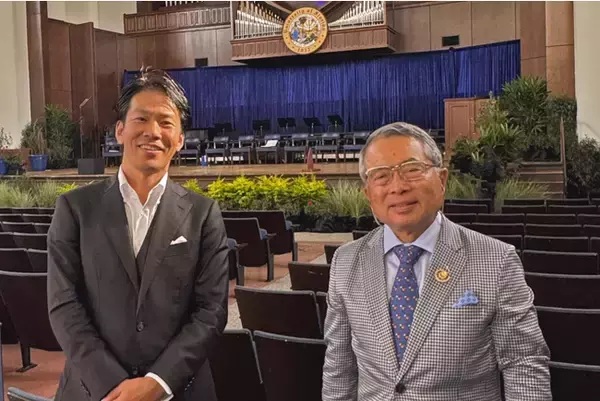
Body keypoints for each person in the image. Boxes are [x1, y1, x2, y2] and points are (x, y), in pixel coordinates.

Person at [322, 122, 551, 401]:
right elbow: (339, 367)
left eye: (411, 170)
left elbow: (523, 364)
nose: (398, 187)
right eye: (381, 176)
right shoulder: (346, 262)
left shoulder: (496, 260)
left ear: (441, 180)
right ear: (368, 194)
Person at [47, 70, 229, 401]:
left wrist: (157, 383)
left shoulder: (204, 215)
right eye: (141, 119)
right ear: (120, 130)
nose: (153, 132)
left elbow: (211, 311)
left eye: (165, 122)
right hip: (92, 391)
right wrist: (111, 384)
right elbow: (64, 304)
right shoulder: (75, 209)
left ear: (180, 139)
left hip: (179, 390)